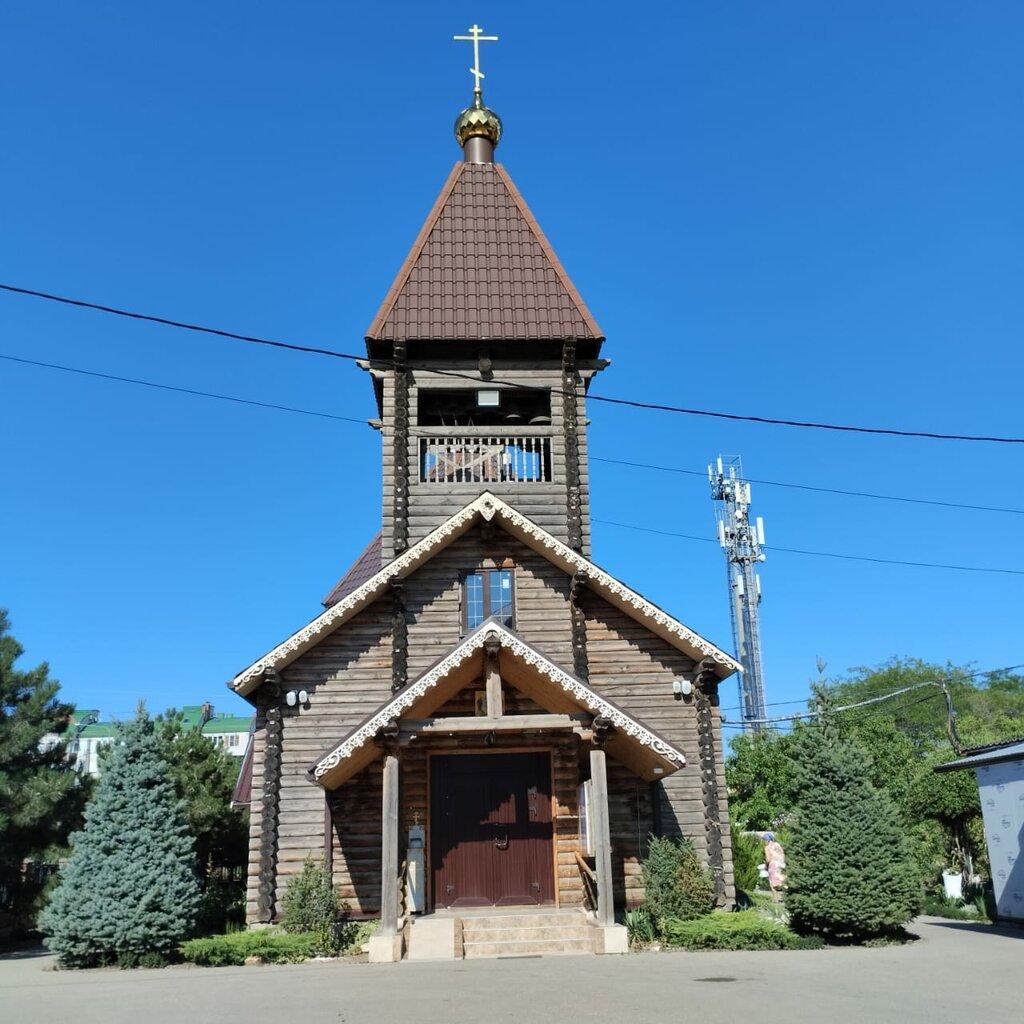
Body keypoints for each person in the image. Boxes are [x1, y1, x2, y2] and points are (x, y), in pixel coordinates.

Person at [761, 832, 786, 901]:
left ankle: (776, 900)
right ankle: (787, 897)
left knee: (773, 884)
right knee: (781, 881)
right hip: (781, 865)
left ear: (767, 840)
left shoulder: (767, 847)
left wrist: (766, 866)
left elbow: (768, 859)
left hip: (773, 866)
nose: (764, 842)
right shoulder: (777, 845)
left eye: (764, 840)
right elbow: (782, 854)